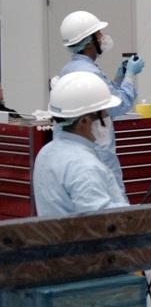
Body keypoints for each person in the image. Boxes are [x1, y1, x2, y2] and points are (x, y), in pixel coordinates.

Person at [56, 11, 143, 190]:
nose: (103, 38)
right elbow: (118, 106)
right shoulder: (91, 73)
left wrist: (119, 78)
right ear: (89, 41)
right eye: (99, 34)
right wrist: (130, 75)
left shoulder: (70, 69)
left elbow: (105, 101)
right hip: (98, 153)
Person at [32, 73, 130, 216]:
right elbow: (104, 223)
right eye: (103, 115)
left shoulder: (47, 152)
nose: (108, 119)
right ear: (84, 121)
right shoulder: (84, 166)